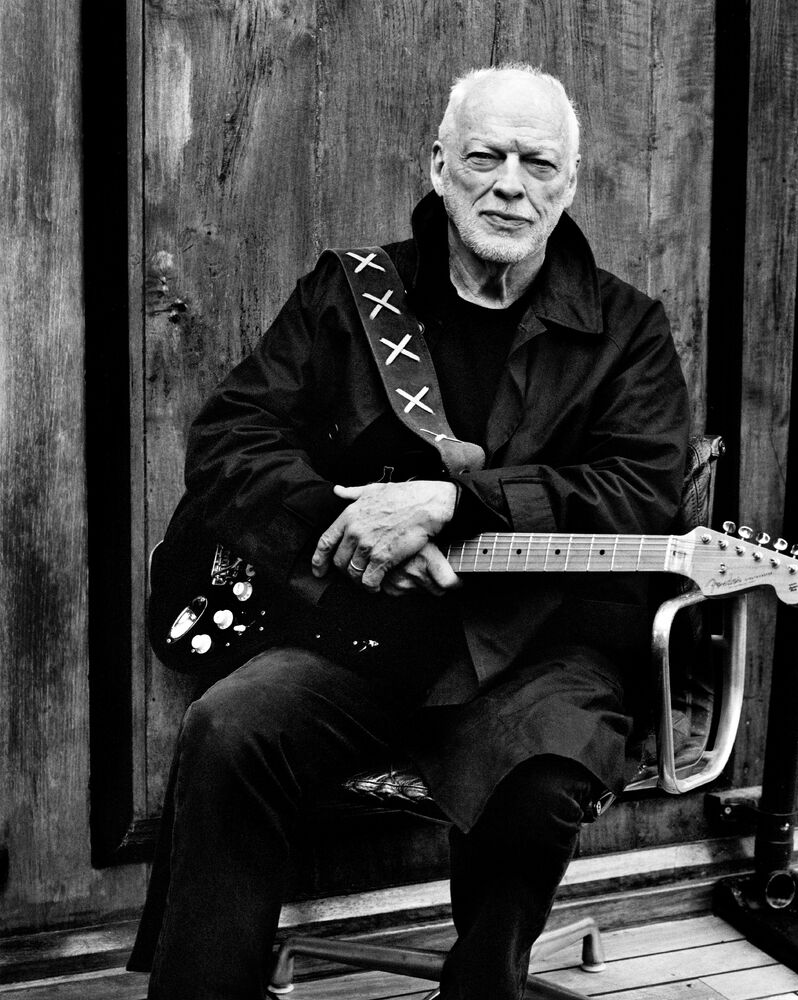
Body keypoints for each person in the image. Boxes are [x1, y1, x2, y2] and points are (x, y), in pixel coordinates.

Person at [128, 63, 690, 999]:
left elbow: (642, 491)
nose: (510, 186)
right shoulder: (350, 292)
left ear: (571, 182)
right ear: (438, 165)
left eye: (538, 164)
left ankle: (482, 987)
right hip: (361, 629)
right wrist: (349, 526)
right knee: (228, 727)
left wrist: (457, 503)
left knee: (542, 782)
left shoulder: (628, 329)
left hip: (542, 649)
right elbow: (231, 439)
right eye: (485, 157)